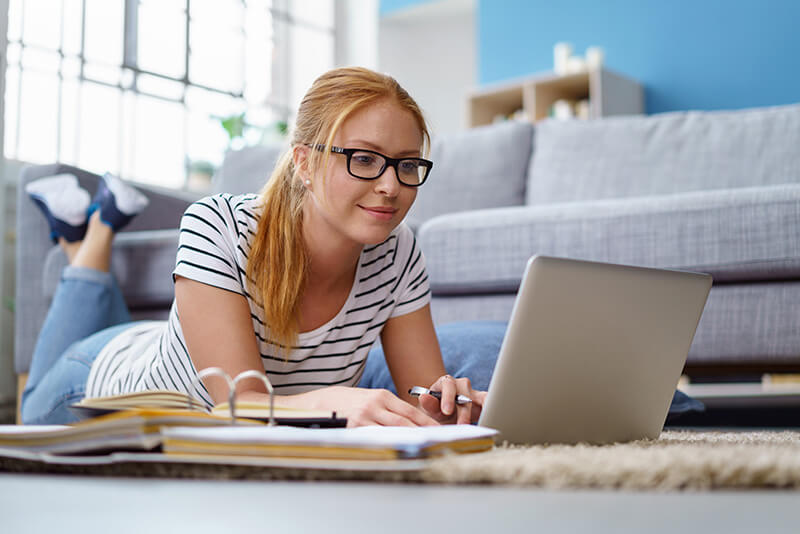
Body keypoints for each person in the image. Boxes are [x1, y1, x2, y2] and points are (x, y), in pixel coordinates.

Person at [21, 66, 488, 427]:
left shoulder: (398, 251)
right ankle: (96, 231)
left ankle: (80, 234)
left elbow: (417, 399)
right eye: (364, 159)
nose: (391, 185)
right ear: (304, 163)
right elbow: (235, 407)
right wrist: (336, 407)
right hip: (98, 383)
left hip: (167, 345)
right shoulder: (217, 224)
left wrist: (442, 406)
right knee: (29, 404)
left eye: (407, 165)